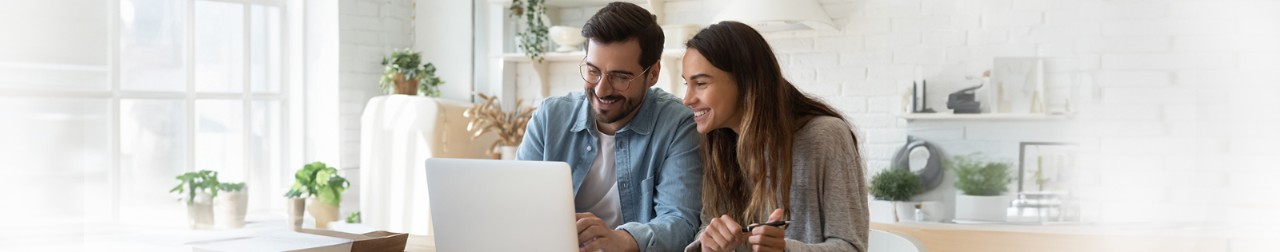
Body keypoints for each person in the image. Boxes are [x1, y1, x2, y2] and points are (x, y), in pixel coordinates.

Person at [516, 2, 702, 251]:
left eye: (620, 77)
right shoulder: (550, 117)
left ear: (653, 73)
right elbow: (515, 201)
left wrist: (622, 239)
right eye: (593, 71)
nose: (601, 90)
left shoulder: (677, 124)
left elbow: (681, 222)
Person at [679, 21, 869, 252]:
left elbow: (852, 246)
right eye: (686, 83)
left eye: (700, 83)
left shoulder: (825, 137)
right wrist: (708, 242)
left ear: (745, 81)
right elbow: (709, 223)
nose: (687, 99)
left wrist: (785, 249)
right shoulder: (719, 142)